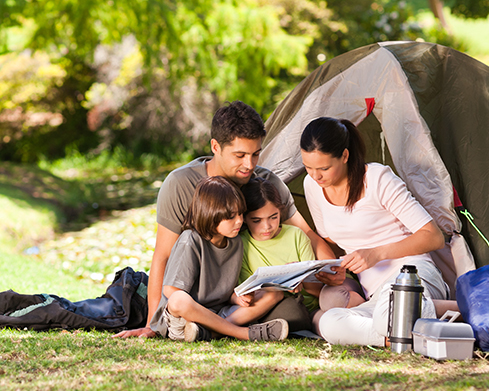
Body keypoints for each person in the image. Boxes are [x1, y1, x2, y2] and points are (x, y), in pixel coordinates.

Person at [115, 101, 337, 339]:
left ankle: (209, 329)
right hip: (196, 292)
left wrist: (334, 272)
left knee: (289, 310)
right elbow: (163, 256)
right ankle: (230, 331)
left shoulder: (265, 183)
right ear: (215, 146)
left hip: (236, 297)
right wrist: (152, 325)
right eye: (239, 155)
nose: (249, 165)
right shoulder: (180, 184)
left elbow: (309, 235)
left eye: (255, 154)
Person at [300, 117, 451, 346]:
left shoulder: (377, 179)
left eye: (324, 168)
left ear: (345, 156)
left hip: (411, 274)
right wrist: (338, 269)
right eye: (308, 167)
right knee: (328, 320)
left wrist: (376, 254)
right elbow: (333, 238)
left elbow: (433, 236)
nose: (315, 175)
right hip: (376, 295)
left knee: (387, 311)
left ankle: (442, 313)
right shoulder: (312, 186)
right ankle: (395, 334)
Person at [147, 176, 289, 342]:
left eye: (240, 214)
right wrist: (201, 313)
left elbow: (224, 291)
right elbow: (170, 291)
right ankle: (243, 333)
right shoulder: (190, 240)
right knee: (179, 299)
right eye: (230, 217)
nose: (239, 221)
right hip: (182, 320)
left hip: (218, 313)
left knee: (275, 294)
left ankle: (211, 333)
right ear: (210, 214)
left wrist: (237, 297)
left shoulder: (235, 242)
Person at [230, 177, 365, 333]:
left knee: (333, 300)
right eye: (257, 220)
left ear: (280, 212)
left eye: (273, 217)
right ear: (245, 218)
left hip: (319, 300)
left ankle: (368, 308)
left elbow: (317, 291)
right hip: (294, 311)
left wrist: (300, 278)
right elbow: (252, 293)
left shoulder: (296, 235)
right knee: (331, 328)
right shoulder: (243, 245)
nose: (267, 226)